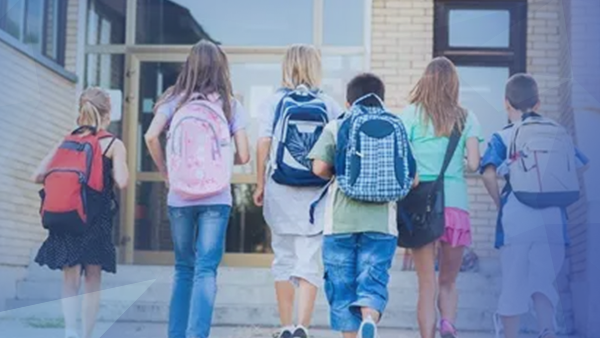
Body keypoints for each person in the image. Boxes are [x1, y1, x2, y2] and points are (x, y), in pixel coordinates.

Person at [144, 40, 250, 338]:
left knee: (183, 268)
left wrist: (166, 171)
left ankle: (176, 334)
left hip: (179, 196)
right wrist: (225, 156)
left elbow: (151, 136)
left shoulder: (174, 100)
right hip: (217, 197)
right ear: (221, 68)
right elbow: (244, 155)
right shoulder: (230, 104)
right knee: (206, 269)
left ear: (188, 66)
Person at [481, 74, 588, 338]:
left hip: (515, 220)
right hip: (553, 220)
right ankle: (547, 331)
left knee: (513, 283)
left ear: (507, 103)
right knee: (544, 281)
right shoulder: (558, 132)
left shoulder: (503, 135)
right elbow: (583, 164)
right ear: (538, 104)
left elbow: (486, 172)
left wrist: (499, 203)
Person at [253, 44, 343, 338]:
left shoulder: (273, 101)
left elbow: (263, 144)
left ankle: (286, 327)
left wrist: (260, 184)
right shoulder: (329, 103)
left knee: (283, 258)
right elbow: (339, 146)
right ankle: (303, 326)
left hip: (280, 189)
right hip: (316, 194)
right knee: (309, 259)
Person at [307, 73, 402, 338]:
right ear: (380, 99)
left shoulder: (337, 126)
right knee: (372, 279)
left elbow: (319, 167)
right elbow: (412, 177)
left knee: (342, 288)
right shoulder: (396, 125)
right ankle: (369, 318)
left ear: (348, 103)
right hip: (382, 222)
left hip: (340, 222)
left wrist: (340, 175)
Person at [33, 87, 129, 338]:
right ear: (107, 113)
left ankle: (70, 331)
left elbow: (37, 175)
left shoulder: (67, 141)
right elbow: (122, 181)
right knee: (92, 279)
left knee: (70, 277)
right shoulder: (112, 144)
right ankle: (87, 334)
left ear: (81, 112)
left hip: (68, 215)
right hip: (95, 219)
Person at [400, 57, 482, 338]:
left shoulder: (410, 115)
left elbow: (402, 160)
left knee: (427, 284)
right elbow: (473, 164)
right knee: (448, 281)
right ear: (453, 85)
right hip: (456, 206)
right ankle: (448, 324)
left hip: (421, 206)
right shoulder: (467, 118)